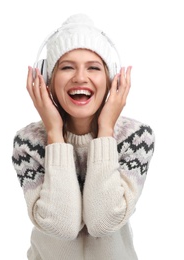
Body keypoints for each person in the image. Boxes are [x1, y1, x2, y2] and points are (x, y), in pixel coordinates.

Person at [12, 13, 155, 260]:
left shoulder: (136, 137)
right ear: (47, 79)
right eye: (67, 67)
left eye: (94, 67)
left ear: (112, 80)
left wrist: (106, 131)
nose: (80, 77)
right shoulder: (29, 142)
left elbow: (103, 222)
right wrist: (55, 133)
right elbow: (62, 226)